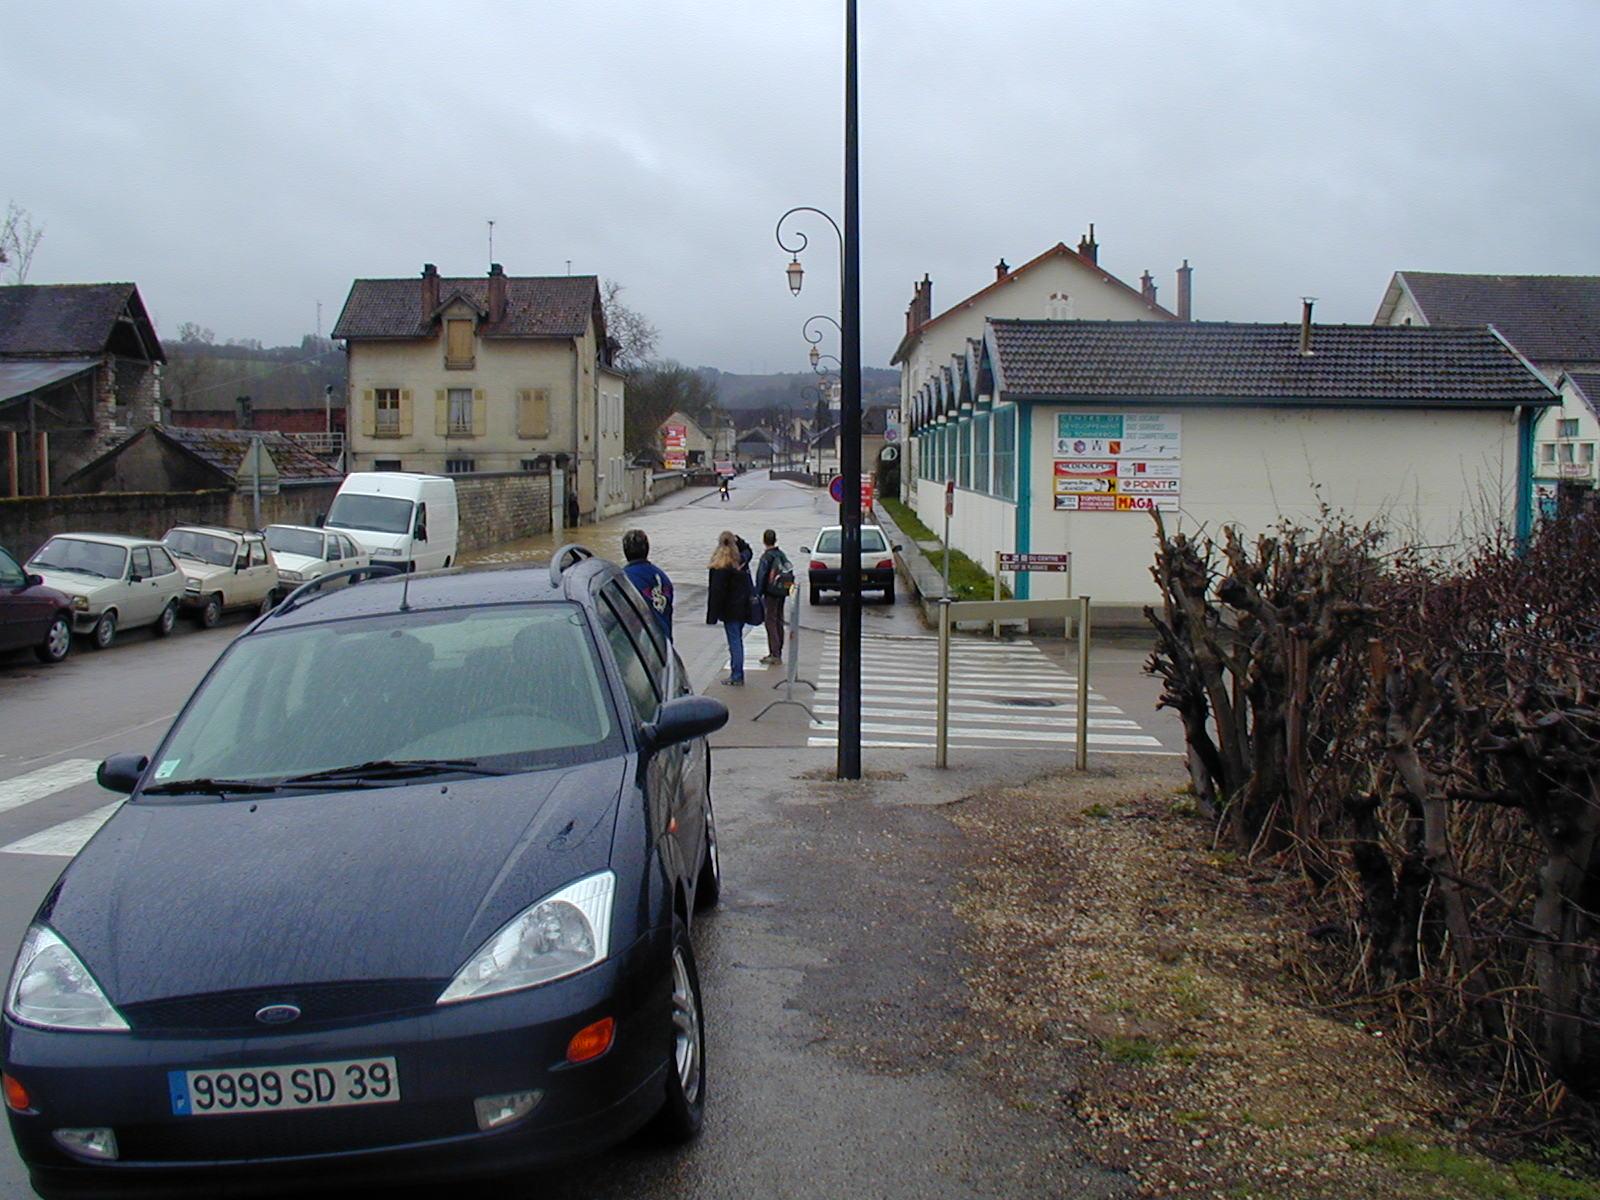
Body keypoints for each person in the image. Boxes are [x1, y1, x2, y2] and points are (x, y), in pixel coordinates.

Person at [706, 530, 753, 685]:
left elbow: (715, 594)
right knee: (737, 640)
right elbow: (749, 551)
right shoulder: (740, 562)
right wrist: (739, 540)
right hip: (743, 608)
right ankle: (736, 673)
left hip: (729, 611)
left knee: (734, 642)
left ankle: (737, 675)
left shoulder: (718, 567)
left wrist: (712, 616)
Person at [621, 529, 673, 640]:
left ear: (625, 551)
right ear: (647, 549)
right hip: (664, 640)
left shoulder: (623, 578)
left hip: (641, 643)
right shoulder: (662, 577)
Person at [755, 529, 792, 665]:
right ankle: (779, 650)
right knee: (779, 620)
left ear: (764, 541)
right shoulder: (781, 554)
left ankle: (774, 653)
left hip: (770, 593)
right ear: (775, 540)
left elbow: (761, 576)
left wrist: (758, 593)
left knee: (770, 621)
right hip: (781, 591)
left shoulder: (766, 557)